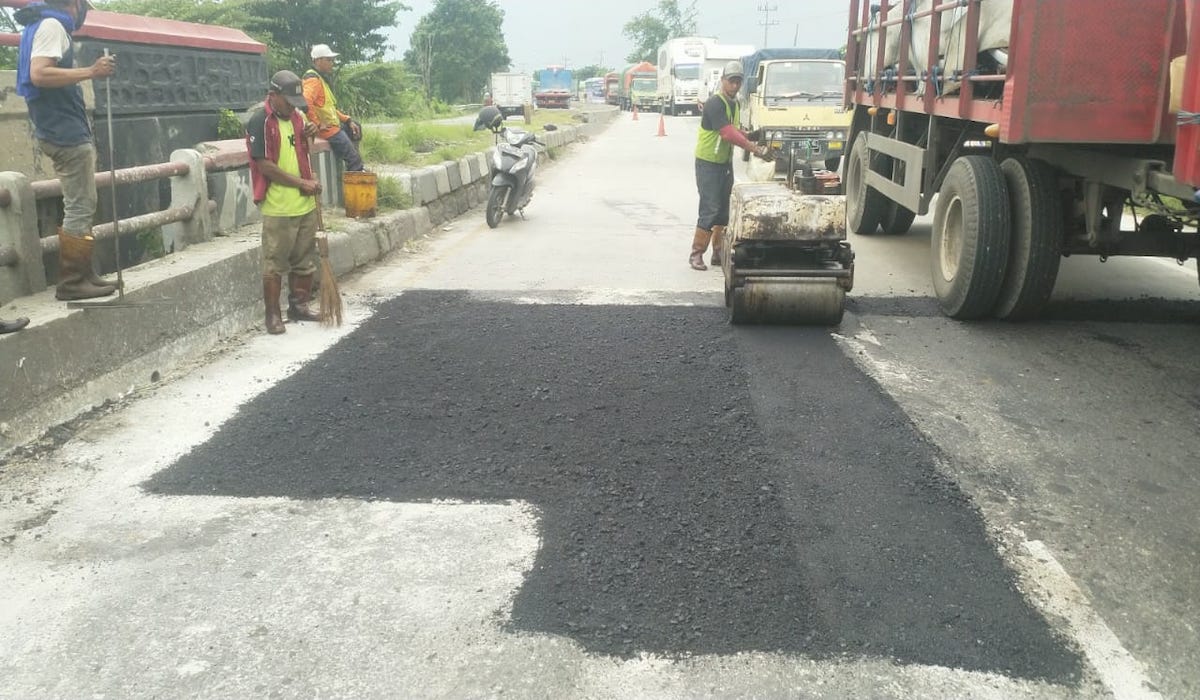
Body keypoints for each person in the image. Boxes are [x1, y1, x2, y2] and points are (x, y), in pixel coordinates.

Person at [16, 0, 119, 300]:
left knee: (83, 201)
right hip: (63, 131)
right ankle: (73, 281)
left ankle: (85, 274)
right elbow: (40, 74)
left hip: (56, 127)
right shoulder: (53, 25)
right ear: (74, 5)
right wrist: (91, 71)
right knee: (80, 204)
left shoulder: (39, 23)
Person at [245, 70, 322, 335]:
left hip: (305, 204)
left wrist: (311, 131)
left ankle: (299, 306)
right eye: (287, 101)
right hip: (279, 206)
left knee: (305, 260)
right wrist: (302, 184)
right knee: (275, 263)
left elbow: (302, 149)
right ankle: (273, 315)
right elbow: (265, 166)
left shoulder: (297, 118)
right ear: (273, 95)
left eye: (295, 103)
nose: (292, 107)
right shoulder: (260, 121)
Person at [689, 60, 771, 271]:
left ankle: (718, 253)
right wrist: (755, 148)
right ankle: (696, 254)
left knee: (723, 211)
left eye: (738, 82)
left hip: (724, 165)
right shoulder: (715, 103)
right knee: (710, 208)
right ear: (723, 81)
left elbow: (733, 129)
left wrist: (752, 135)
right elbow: (726, 133)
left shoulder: (734, 104)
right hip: (708, 164)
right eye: (731, 81)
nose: (735, 86)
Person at [302, 44, 365, 172]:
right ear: (318, 60)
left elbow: (328, 108)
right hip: (326, 130)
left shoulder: (320, 79)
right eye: (329, 60)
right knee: (354, 160)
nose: (332, 63)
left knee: (355, 127)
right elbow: (305, 101)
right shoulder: (313, 80)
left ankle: (349, 162)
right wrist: (317, 124)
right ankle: (355, 175)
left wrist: (348, 120)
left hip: (331, 126)